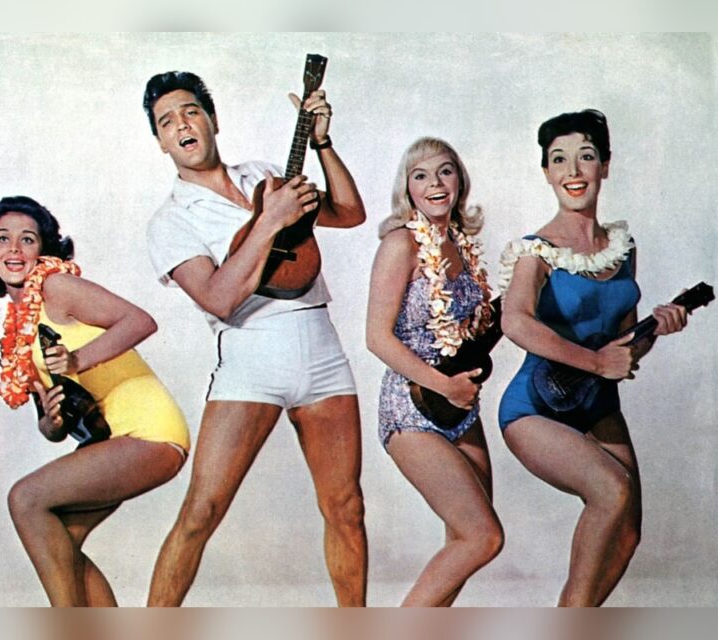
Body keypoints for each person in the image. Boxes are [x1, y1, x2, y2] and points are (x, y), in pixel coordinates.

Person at [142, 70, 367, 606]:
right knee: (201, 513)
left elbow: (349, 213)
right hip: (250, 356)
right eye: (167, 122)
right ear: (161, 142)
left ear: (213, 120)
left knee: (346, 508)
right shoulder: (171, 220)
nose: (182, 125)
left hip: (321, 347)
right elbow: (219, 298)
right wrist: (270, 222)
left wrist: (323, 144)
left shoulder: (265, 175)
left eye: (191, 111)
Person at [497, 109, 688, 606]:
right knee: (611, 491)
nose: (573, 171)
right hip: (534, 408)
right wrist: (597, 363)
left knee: (627, 535)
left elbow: (623, 346)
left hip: (597, 405)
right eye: (559, 160)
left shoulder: (622, 248)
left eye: (585, 156)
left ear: (605, 165)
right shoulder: (535, 252)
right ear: (546, 172)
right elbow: (515, 321)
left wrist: (657, 330)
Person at [0, 195, 190, 606]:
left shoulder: (56, 287)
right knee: (60, 546)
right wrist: (51, 422)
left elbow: (140, 321)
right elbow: (53, 428)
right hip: (108, 441)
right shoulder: (19, 329)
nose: (14, 249)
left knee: (25, 498)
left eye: (27, 239)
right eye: (3, 238)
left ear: (44, 250)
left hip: (150, 432)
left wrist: (77, 359)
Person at [365, 138, 503, 606]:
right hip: (412, 405)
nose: (435, 184)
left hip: (459, 406)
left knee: (463, 542)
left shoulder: (461, 244)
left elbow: (470, 329)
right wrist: (444, 385)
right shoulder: (400, 244)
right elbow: (376, 337)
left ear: (459, 179)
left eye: (445, 171)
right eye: (420, 175)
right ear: (407, 188)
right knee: (482, 537)